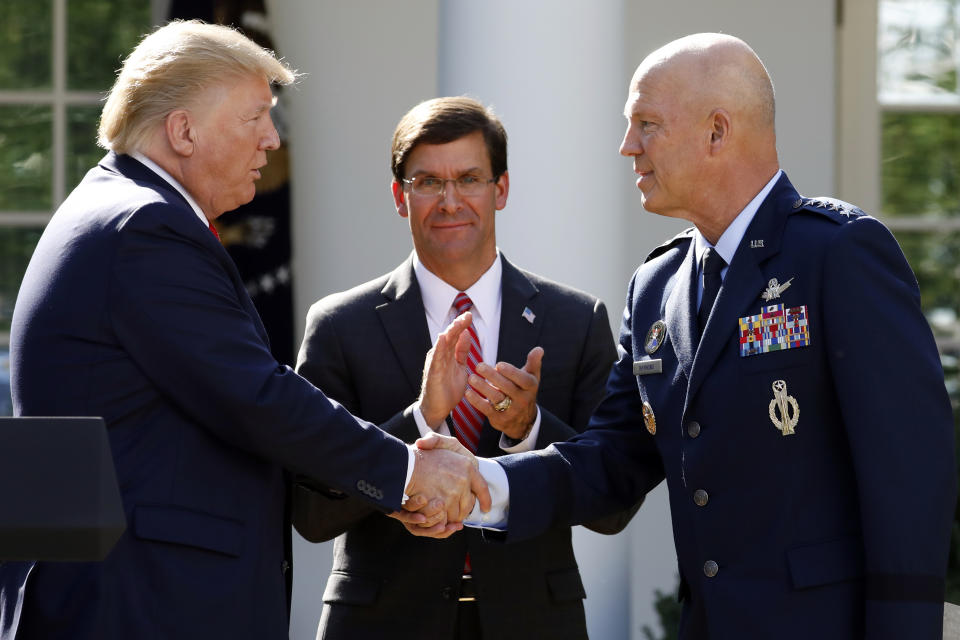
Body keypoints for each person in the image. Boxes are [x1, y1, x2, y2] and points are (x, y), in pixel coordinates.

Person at [412, 33, 957, 639]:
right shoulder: (658, 286)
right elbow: (613, 458)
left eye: (647, 124)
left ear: (716, 132)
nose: (628, 147)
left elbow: (910, 477)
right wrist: (484, 480)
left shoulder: (838, 253)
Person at [0, 21, 487, 640]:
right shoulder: (145, 229)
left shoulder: (116, 213)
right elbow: (256, 397)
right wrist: (407, 475)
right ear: (183, 130)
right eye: (256, 117)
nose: (272, 141)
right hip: (143, 602)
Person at [291, 96, 637, 640]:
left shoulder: (575, 320)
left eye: (469, 178)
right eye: (427, 182)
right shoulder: (339, 326)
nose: (450, 200)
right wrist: (421, 419)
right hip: (383, 623)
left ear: (500, 189)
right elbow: (311, 512)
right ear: (400, 198)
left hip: (533, 621)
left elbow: (613, 503)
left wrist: (530, 430)